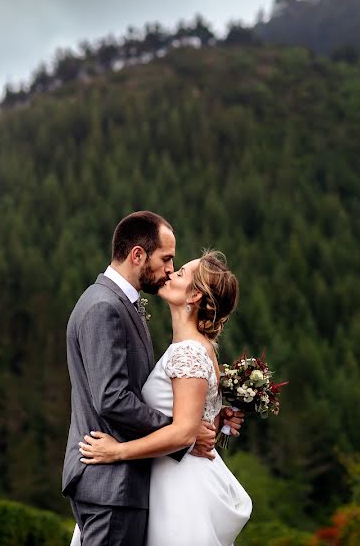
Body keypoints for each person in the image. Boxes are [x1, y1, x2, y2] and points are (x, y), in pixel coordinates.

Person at [62, 212, 241, 546]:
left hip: (137, 482)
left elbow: (153, 396)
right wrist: (183, 432)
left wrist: (209, 422)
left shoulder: (128, 309)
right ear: (138, 255)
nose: (170, 270)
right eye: (168, 259)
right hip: (110, 481)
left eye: (177, 265)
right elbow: (112, 398)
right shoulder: (105, 307)